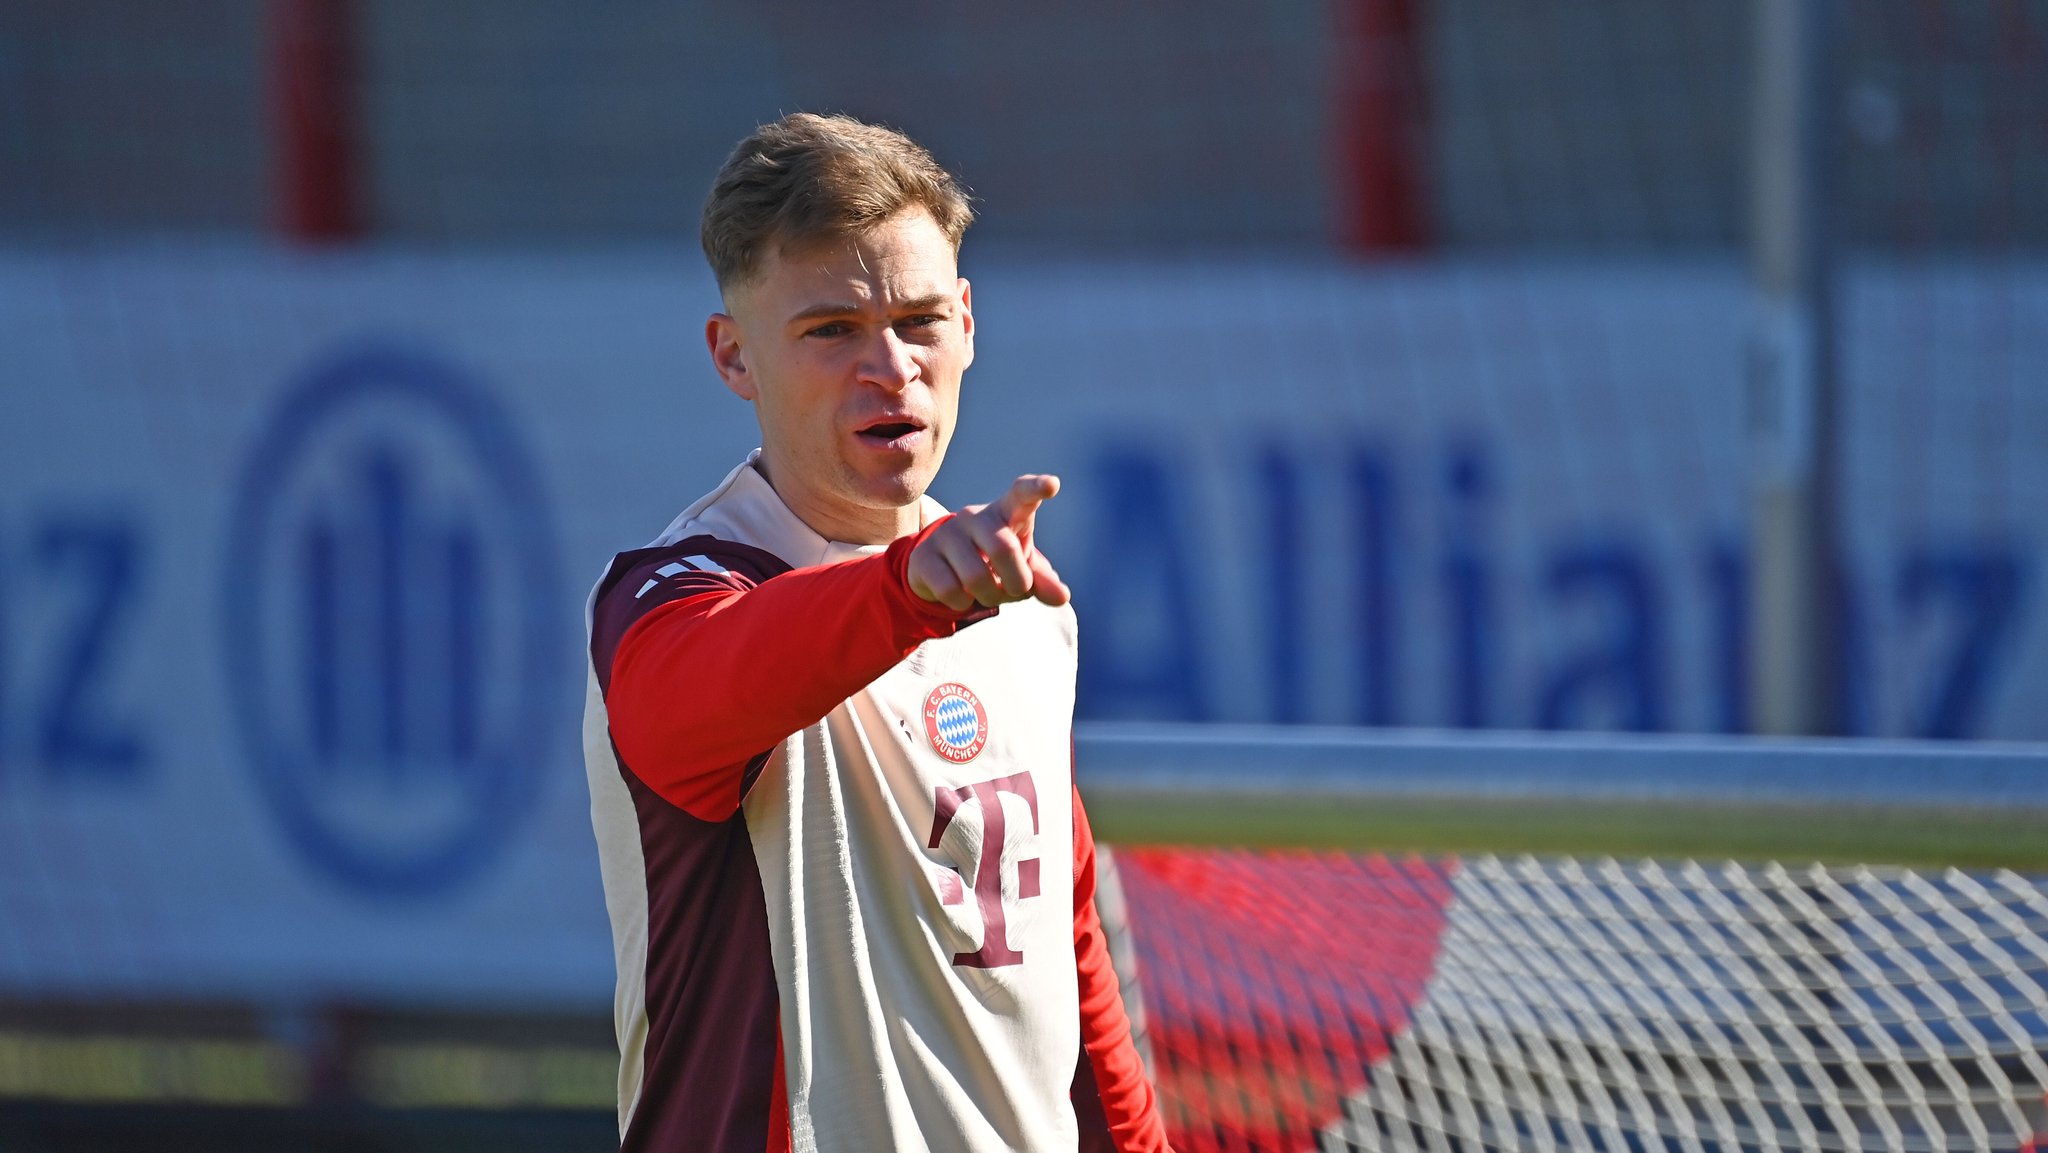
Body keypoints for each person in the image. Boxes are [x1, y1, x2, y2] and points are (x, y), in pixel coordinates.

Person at [581, 112, 1171, 1153]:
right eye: (829, 330)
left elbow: (1065, 957)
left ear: (971, 325)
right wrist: (906, 590)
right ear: (733, 357)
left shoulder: (1014, 597)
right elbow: (698, 694)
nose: (889, 366)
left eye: (919, 320)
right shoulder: (675, 593)